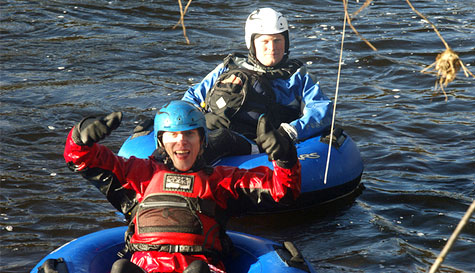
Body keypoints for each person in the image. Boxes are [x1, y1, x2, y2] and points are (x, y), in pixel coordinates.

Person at [64, 100, 301, 273]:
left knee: (197, 271)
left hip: (201, 267)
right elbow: (81, 160)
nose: (181, 141)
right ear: (161, 141)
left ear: (202, 140)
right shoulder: (137, 175)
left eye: (189, 134)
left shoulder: (221, 179)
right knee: (120, 268)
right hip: (145, 268)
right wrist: (80, 137)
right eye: (173, 135)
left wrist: (284, 156)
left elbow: (282, 191)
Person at [182, 7, 333, 163]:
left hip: (262, 145)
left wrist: (289, 132)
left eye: (277, 40)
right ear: (252, 43)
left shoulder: (299, 77)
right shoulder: (228, 69)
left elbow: (322, 110)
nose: (272, 48)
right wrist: (199, 118)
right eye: (265, 41)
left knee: (222, 139)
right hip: (215, 132)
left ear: (286, 42)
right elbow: (191, 98)